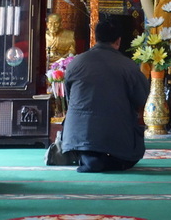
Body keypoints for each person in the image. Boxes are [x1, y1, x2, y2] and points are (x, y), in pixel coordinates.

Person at [61, 17, 150, 173]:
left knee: (89, 146)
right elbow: (141, 98)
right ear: (118, 41)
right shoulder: (128, 66)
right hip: (116, 133)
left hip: (78, 135)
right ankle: (103, 160)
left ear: (96, 37)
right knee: (130, 155)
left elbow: (69, 97)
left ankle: (90, 158)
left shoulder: (75, 63)